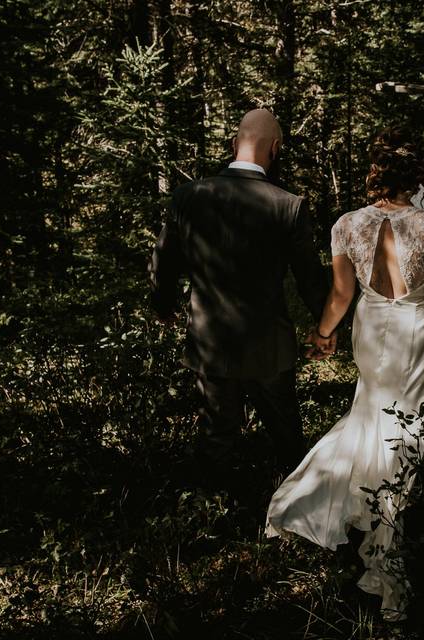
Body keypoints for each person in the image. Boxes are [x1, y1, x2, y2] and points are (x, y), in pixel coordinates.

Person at [264, 128, 424, 620]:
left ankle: (351, 504)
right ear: (417, 176)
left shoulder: (346, 224)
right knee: (407, 429)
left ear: (375, 172)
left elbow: (342, 295)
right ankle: (389, 528)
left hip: (371, 328)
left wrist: (323, 333)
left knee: (372, 415)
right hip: (417, 329)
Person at [148, 108, 329, 482]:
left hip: (210, 342)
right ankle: (293, 512)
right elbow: (310, 278)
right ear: (275, 149)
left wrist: (162, 305)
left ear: (234, 144)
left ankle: (210, 520)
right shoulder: (289, 205)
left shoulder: (188, 196)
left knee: (216, 438)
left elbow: (163, 259)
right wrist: (326, 326)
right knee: (287, 439)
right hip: (269, 345)